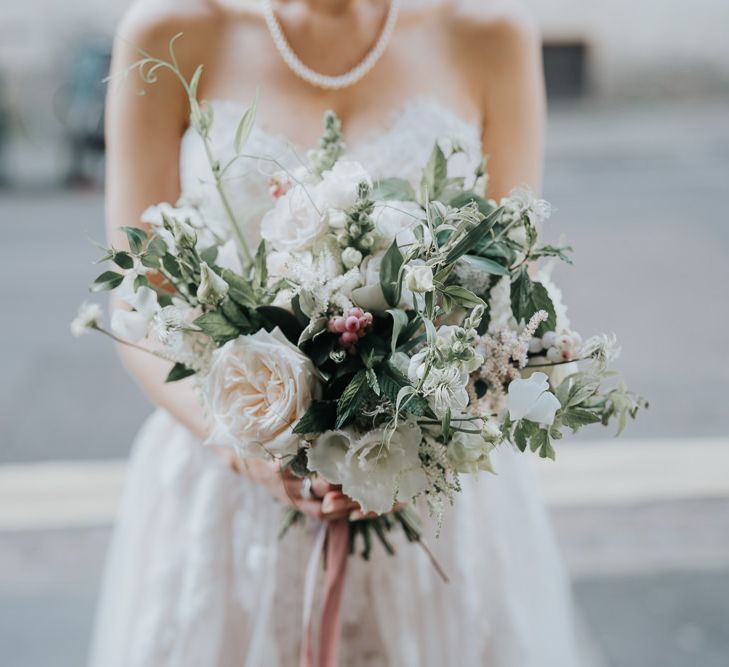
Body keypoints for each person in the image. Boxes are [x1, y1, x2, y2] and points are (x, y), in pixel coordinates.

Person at [90, 0, 582, 664]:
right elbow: (139, 303)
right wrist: (250, 447)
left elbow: (504, 288)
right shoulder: (168, 32)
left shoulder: (489, 32)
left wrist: (425, 429)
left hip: (429, 493)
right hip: (227, 479)